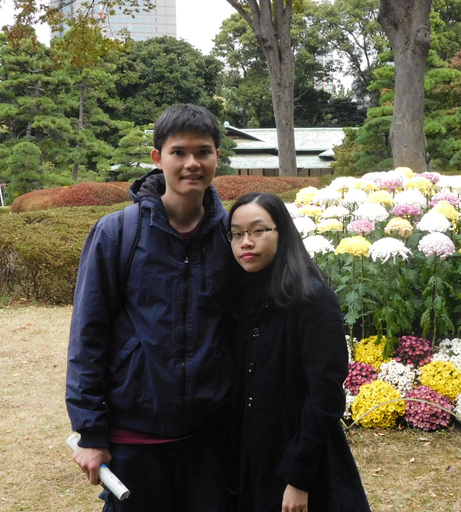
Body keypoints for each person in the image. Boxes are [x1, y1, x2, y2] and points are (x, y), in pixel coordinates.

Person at [66, 104, 237, 512]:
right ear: (157, 158)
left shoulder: (234, 236)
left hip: (211, 436)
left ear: (217, 157)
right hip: (134, 436)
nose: (192, 163)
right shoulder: (117, 232)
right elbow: (88, 335)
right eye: (179, 152)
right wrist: (90, 431)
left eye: (204, 151)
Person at [228, 192, 371, 512]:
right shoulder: (238, 299)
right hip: (251, 462)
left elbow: (326, 396)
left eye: (258, 230)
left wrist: (299, 479)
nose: (245, 242)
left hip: (303, 463)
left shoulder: (313, 300)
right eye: (237, 233)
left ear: (284, 232)